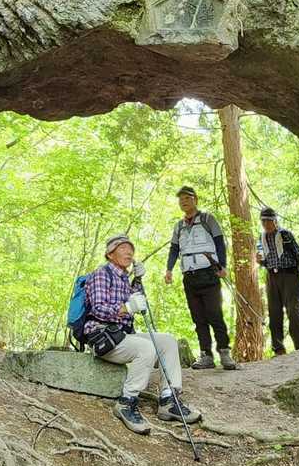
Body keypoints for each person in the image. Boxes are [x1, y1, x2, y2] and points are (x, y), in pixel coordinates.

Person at [83, 234, 202, 434]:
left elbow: (141, 305)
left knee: (168, 341)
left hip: (123, 336)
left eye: (131, 249)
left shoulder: (124, 279)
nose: (129, 252)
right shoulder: (101, 274)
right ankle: (126, 402)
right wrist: (127, 308)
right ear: (110, 254)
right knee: (147, 347)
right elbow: (98, 309)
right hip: (103, 337)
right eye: (123, 248)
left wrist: (138, 280)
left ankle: (168, 399)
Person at [163, 185, 237, 371]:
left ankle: (224, 352)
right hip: (189, 276)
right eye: (181, 199)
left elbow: (219, 242)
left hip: (209, 273)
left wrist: (223, 266)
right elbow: (174, 249)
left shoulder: (207, 219)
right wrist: (169, 269)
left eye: (187, 198)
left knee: (215, 314)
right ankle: (206, 355)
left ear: (195, 199)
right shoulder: (178, 226)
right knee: (198, 318)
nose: (183, 202)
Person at [255, 206, 299, 353]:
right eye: (263, 221)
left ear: (275, 221)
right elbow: (265, 260)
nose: (266, 224)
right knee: (274, 312)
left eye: (269, 221)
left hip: (290, 276)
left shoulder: (285, 235)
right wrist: (260, 261)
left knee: (294, 311)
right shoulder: (261, 238)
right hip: (272, 277)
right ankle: (278, 349)